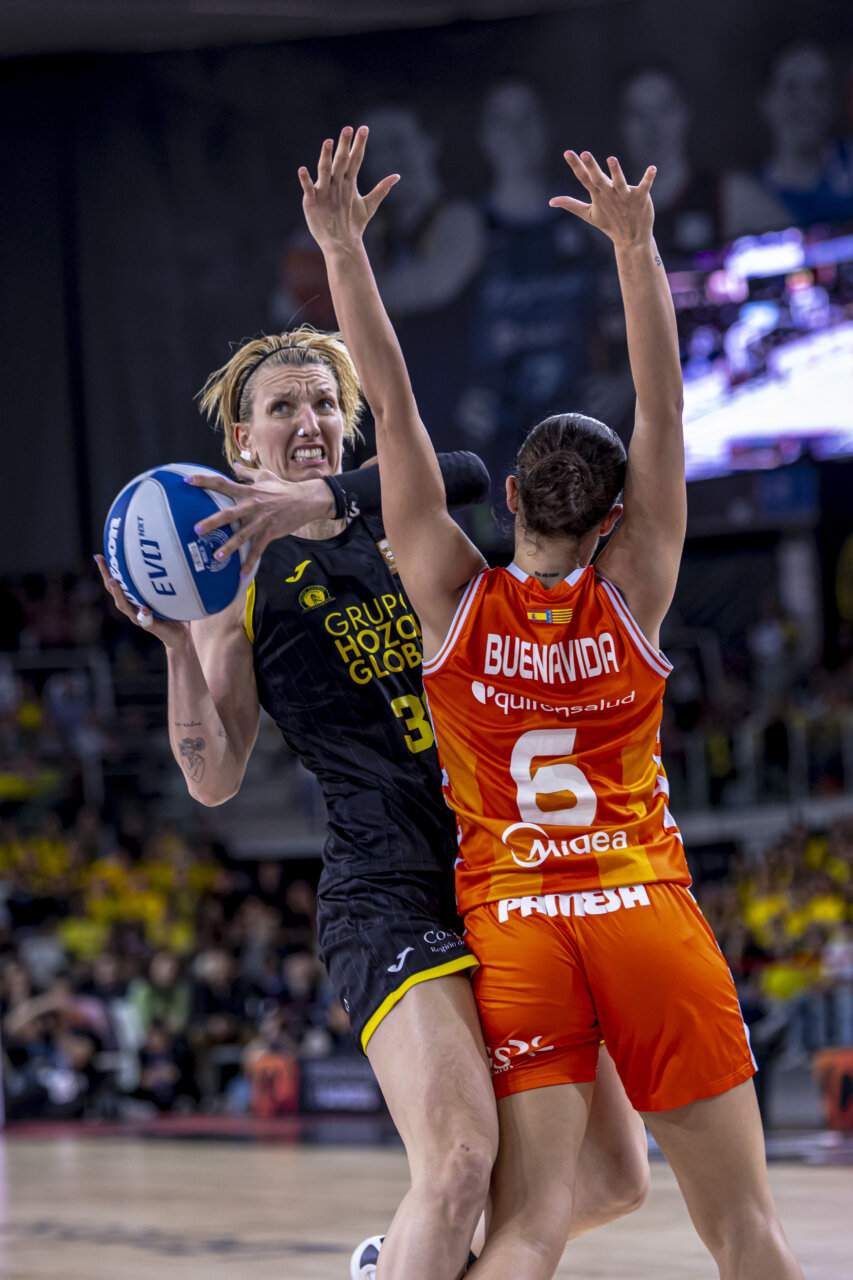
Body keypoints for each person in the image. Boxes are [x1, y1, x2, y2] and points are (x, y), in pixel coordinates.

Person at [300, 126, 804, 1278]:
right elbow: (665, 412)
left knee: (526, 1226)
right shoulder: (636, 589)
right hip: (642, 912)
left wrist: (343, 250)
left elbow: (396, 406)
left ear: (512, 494)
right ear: (618, 513)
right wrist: (636, 249)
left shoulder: (447, 593)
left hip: (518, 925)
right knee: (746, 1230)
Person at [95, 319, 649, 1276]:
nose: (306, 418)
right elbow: (214, 778)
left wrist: (324, 496)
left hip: (508, 878)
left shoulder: (396, 511)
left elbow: (471, 467)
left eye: (322, 402)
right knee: (461, 1159)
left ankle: (395, 1265)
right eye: (281, 407)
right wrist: (181, 646)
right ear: (241, 441)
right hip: (386, 890)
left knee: (611, 1180)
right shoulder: (236, 587)